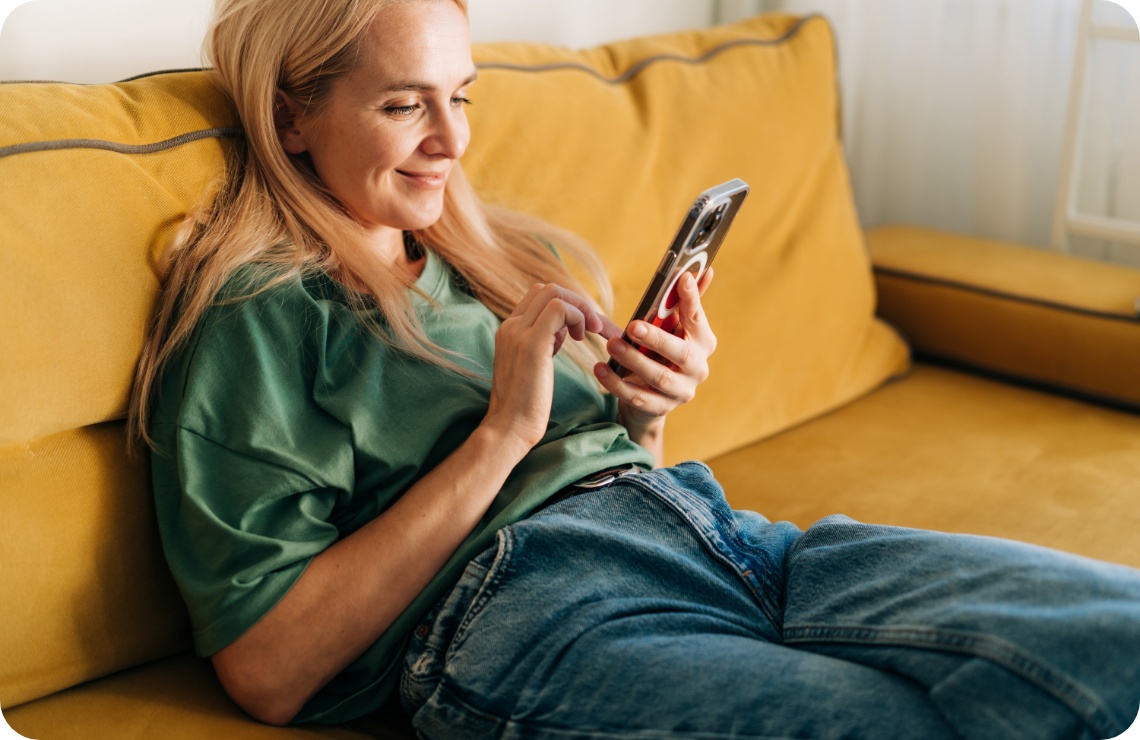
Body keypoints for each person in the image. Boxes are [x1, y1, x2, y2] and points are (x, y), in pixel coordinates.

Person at [128, 0, 1140, 737]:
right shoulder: (264, 313)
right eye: (404, 105)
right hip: (530, 611)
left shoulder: (495, 258)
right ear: (291, 117)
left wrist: (646, 411)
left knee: (1113, 630)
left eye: (461, 96)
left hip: (720, 536)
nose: (452, 140)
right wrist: (502, 434)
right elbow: (268, 669)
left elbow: (607, 464)